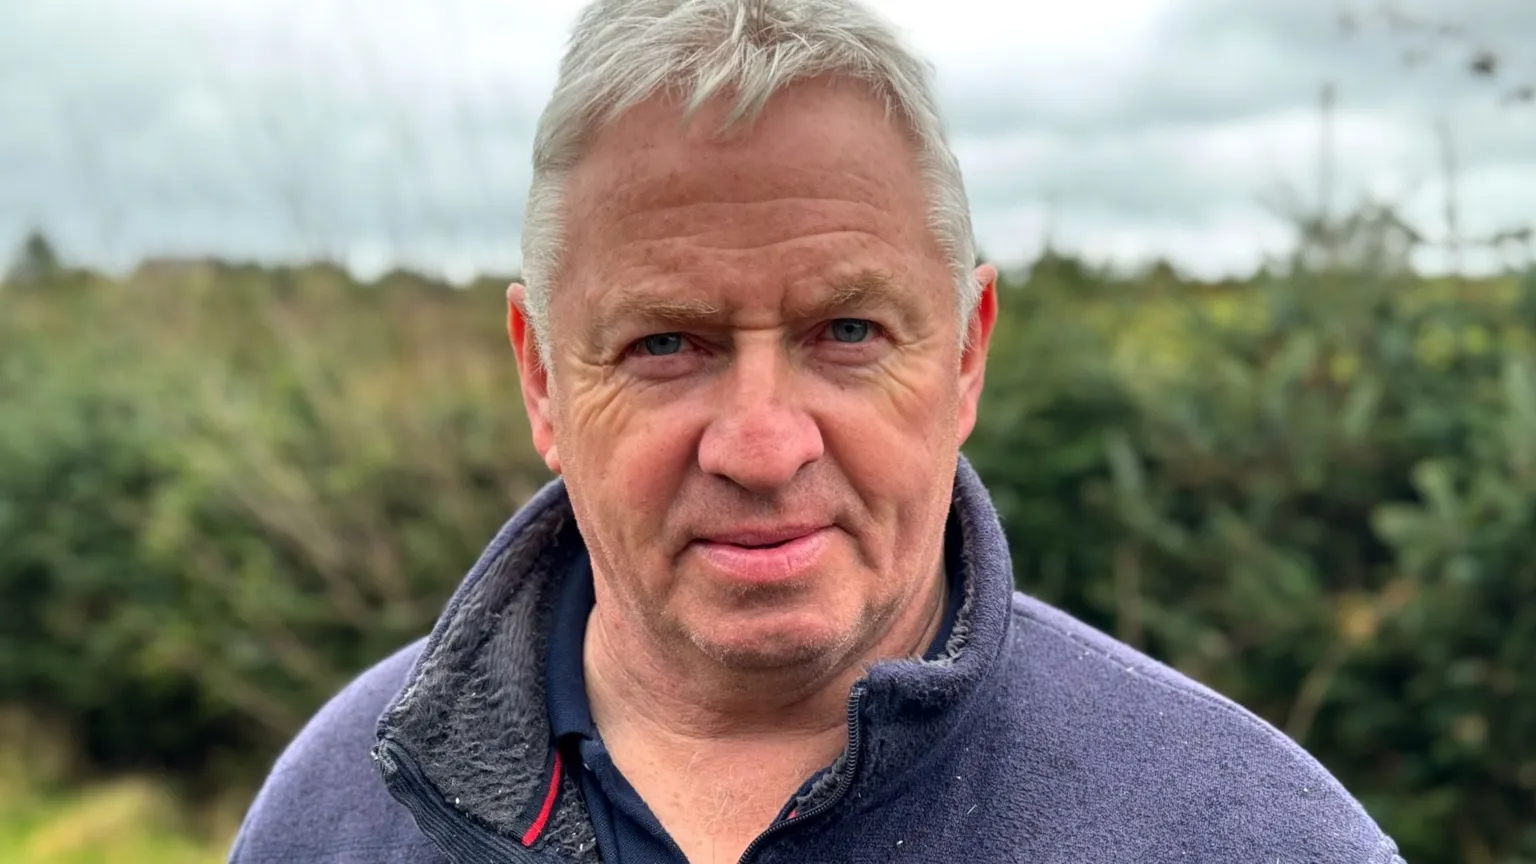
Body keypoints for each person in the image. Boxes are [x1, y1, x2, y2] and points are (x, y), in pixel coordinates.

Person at [227, 1, 1406, 862]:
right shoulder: (338, 811)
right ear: (540, 378)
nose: (762, 447)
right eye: (665, 343)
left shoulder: (1248, 833)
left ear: (966, 353)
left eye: (846, 332)